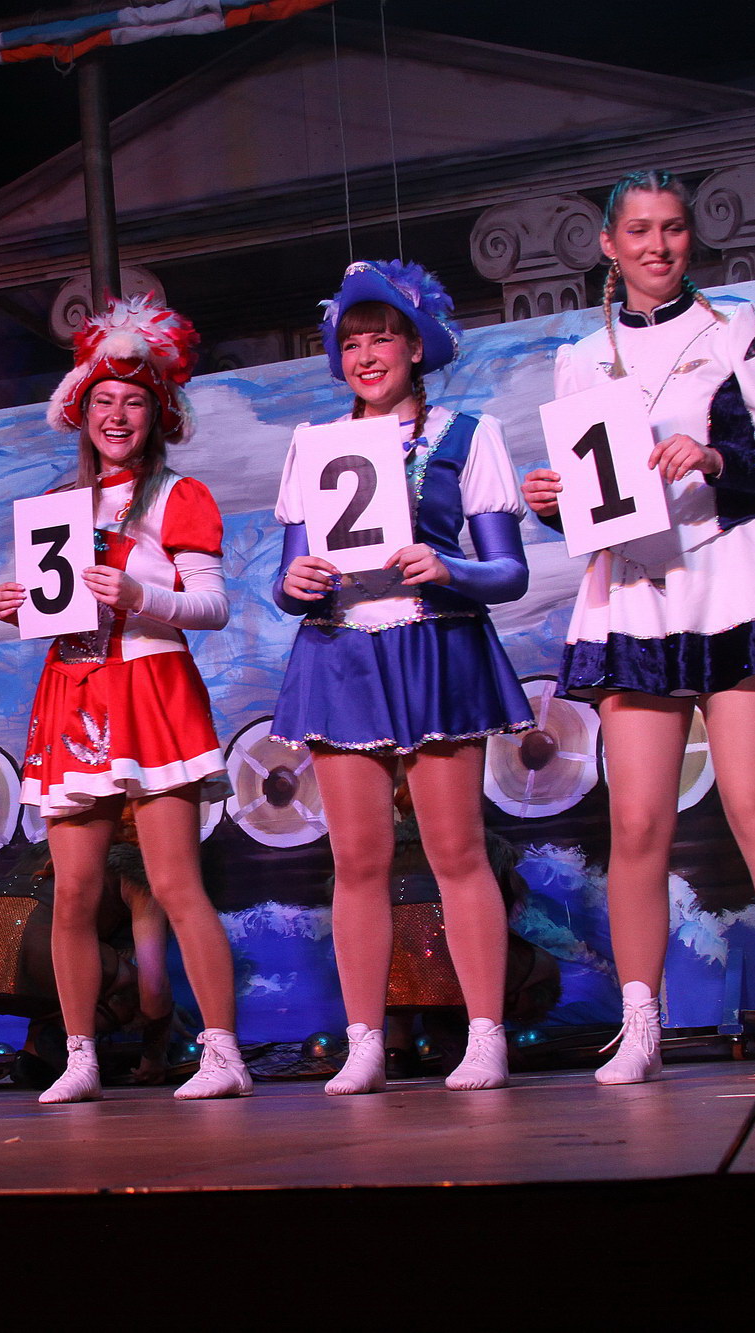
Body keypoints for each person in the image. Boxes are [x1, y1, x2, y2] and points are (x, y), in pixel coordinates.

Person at [521, 170, 755, 1084]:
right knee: (636, 821)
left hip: (731, 576)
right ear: (609, 243)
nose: (657, 245)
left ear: (689, 237)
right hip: (634, 589)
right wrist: (550, 500)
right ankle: (641, 1025)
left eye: (672, 228)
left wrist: (714, 455)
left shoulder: (736, 327)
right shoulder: (578, 358)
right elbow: (593, 499)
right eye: (639, 230)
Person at [273, 260, 534, 1094]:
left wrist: (449, 567)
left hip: (436, 649)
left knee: (457, 850)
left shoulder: (468, 435)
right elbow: (287, 580)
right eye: (351, 342)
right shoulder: (315, 445)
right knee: (356, 859)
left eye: (382, 337)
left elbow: (510, 572)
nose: (366, 355)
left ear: (416, 346)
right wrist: (293, 582)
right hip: (341, 653)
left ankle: (485, 1035)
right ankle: (364, 1042)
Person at [0, 296, 249, 1103]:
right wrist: (18, 608)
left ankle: (222, 1052)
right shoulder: (57, 508)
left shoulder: (179, 495)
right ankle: (80, 1056)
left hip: (152, 689)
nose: (116, 414)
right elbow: (57, 607)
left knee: (175, 882)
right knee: (72, 890)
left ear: (157, 413)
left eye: (133, 401)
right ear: (81, 411)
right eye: (102, 399)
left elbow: (213, 605)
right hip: (74, 692)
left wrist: (143, 594)